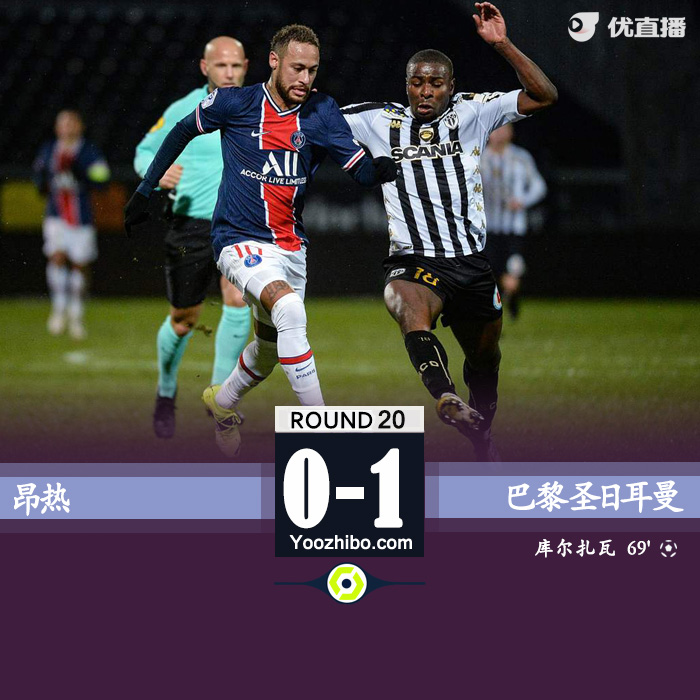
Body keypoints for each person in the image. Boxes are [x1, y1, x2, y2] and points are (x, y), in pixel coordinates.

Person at [124, 24, 397, 457]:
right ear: (274, 61)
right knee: (288, 309)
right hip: (236, 239)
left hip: (291, 245)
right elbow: (180, 131)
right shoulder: (235, 103)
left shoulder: (322, 111)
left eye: (312, 70)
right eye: (296, 68)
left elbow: (359, 171)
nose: (304, 79)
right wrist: (144, 190)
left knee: (268, 350)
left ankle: (223, 401)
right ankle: (324, 430)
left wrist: (380, 169)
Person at [341, 2, 557, 461]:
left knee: (486, 361)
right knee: (405, 306)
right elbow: (309, 121)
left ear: (450, 87)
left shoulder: (475, 111)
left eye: (435, 83)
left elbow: (544, 95)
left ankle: (481, 436)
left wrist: (503, 45)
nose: (425, 91)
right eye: (417, 82)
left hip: (471, 264)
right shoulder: (377, 120)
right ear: (406, 85)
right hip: (414, 260)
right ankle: (445, 396)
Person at [134, 37, 252, 440]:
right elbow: (144, 150)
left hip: (238, 224)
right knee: (184, 321)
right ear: (205, 68)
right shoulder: (183, 109)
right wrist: (155, 171)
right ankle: (166, 392)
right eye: (221, 66)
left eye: (236, 65)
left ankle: (220, 397)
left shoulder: (258, 106)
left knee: (237, 299)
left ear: (246, 66)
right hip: (190, 226)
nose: (229, 73)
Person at [33, 110, 110, 340]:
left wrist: (84, 174)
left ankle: (76, 313)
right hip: (55, 215)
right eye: (63, 123)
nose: (67, 128)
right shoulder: (49, 150)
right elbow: (39, 178)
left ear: (80, 126)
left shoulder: (89, 151)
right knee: (56, 256)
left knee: (79, 264)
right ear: (57, 128)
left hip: (81, 217)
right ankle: (58, 308)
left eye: (71, 123)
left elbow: (102, 179)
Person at [482, 122, 547, 320]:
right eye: (496, 129)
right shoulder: (479, 157)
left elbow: (539, 186)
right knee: (491, 270)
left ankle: (511, 297)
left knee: (514, 269)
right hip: (488, 228)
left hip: (515, 229)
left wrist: (522, 201)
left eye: (504, 129)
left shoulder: (520, 157)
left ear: (511, 132)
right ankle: (501, 303)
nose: (499, 134)